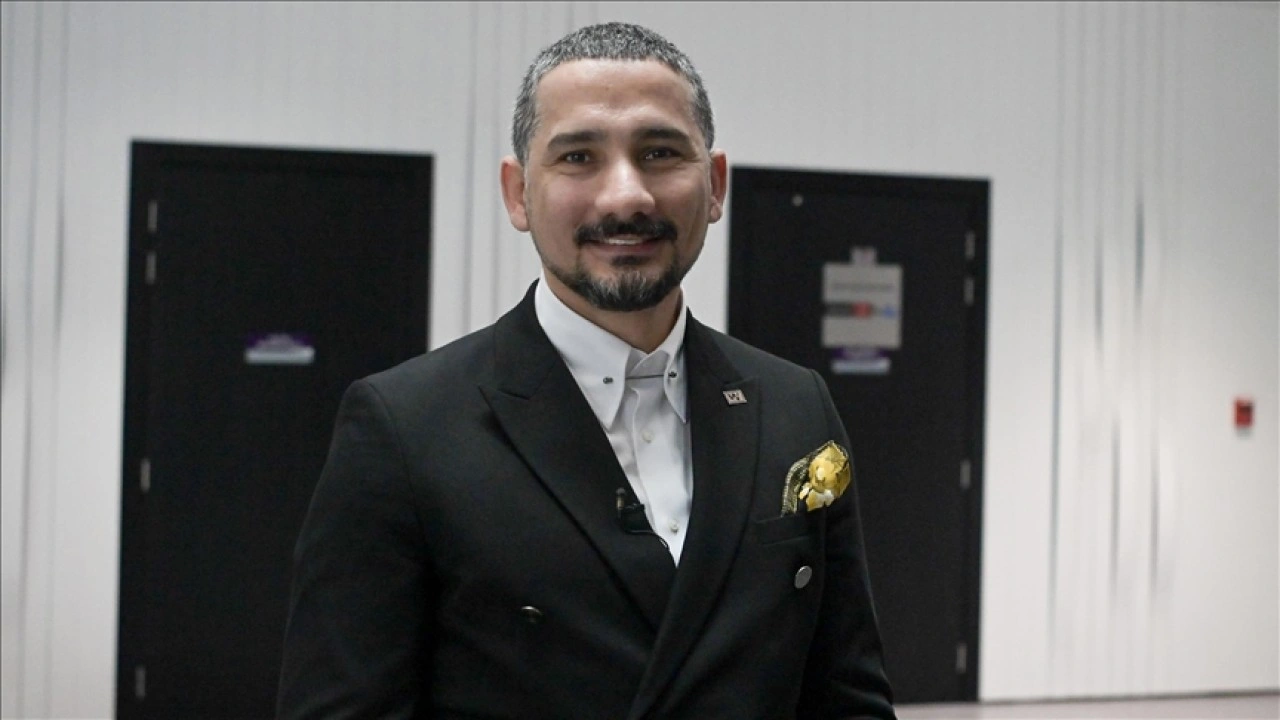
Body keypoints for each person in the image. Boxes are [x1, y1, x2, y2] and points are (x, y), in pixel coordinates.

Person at [277, 21, 895, 720]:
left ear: (715, 184)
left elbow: (849, 697)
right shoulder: (406, 429)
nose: (625, 197)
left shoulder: (795, 407)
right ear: (518, 193)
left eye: (660, 152)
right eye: (578, 157)